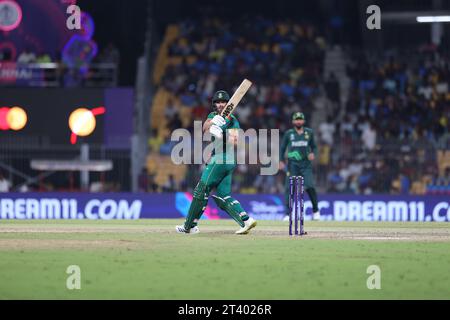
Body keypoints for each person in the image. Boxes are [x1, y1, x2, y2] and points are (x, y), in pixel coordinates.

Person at [176, 90, 257, 234]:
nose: (220, 105)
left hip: (223, 157)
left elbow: (235, 141)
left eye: (223, 102)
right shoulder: (212, 116)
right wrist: (214, 123)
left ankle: (189, 227)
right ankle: (246, 220)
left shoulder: (233, 121)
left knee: (201, 189)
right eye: (218, 102)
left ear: (228, 104)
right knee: (223, 196)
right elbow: (205, 128)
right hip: (225, 160)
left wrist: (222, 133)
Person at [279, 112, 321, 221]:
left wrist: (313, 153)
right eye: (296, 119)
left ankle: (316, 211)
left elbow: (314, 147)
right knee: (289, 189)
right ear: (293, 121)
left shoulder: (309, 133)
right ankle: (288, 214)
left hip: (306, 165)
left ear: (304, 121)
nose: (298, 121)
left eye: (300, 119)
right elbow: (282, 148)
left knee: (310, 186)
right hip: (292, 165)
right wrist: (280, 160)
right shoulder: (289, 134)